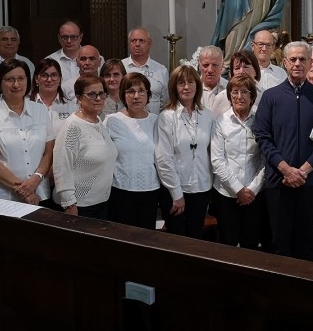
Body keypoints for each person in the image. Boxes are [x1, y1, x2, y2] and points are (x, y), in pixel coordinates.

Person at [254, 41, 313, 260]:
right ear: (285, 62)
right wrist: (286, 170)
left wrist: (304, 170)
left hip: (311, 183)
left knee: (306, 242)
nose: (298, 63)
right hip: (279, 182)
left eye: (303, 59)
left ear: (310, 62)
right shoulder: (270, 97)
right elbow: (263, 137)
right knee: (279, 243)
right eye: (293, 59)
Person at [0, 59, 55, 207]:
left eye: (21, 78)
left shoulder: (40, 110)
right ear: (0, 82)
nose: (16, 84)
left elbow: (49, 151)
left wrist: (35, 179)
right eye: (10, 79)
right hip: (2, 197)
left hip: (38, 192)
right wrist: (23, 190)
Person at [156, 64, 214, 239]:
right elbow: (163, 158)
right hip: (175, 190)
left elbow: (210, 152)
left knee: (196, 237)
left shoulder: (207, 115)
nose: (187, 87)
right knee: (178, 240)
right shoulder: (166, 116)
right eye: (181, 83)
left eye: (191, 82)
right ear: (174, 87)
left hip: (202, 189)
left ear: (197, 85)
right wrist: (177, 194)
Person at [211, 74, 266, 250]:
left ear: (252, 97)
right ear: (229, 96)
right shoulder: (220, 121)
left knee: (251, 243)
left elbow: (266, 159)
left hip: (254, 194)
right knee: (228, 243)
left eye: (244, 92)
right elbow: (217, 160)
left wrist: (252, 189)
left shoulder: (262, 119)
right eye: (234, 92)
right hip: (226, 193)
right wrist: (238, 189)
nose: (239, 96)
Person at [53, 74, 117, 219]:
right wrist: (69, 204)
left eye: (101, 94)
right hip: (79, 206)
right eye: (92, 94)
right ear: (79, 98)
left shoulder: (98, 121)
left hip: (100, 202)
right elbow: (62, 167)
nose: (98, 98)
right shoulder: (73, 126)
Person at [105, 72, 160, 229]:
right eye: (131, 91)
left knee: (147, 240)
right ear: (123, 94)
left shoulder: (156, 120)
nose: (136, 96)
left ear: (148, 95)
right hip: (121, 191)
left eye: (141, 91)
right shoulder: (112, 120)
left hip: (150, 191)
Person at [123, 27, 169, 112]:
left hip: (154, 121)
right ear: (129, 44)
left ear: (150, 44)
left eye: (141, 41)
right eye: (133, 41)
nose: (137, 44)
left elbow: (165, 101)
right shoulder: (121, 67)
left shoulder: (161, 70)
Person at [0, 26, 35, 100]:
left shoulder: (27, 63)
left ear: (18, 43)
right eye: (5, 39)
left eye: (13, 40)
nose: (9, 43)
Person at [30, 57, 76, 137]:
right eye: (44, 75)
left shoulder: (72, 107)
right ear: (36, 79)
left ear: (60, 79)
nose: (49, 79)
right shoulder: (27, 105)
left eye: (54, 75)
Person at [46, 20, 83, 97]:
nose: (69, 41)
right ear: (59, 38)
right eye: (65, 37)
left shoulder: (95, 59)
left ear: (81, 37)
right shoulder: (50, 61)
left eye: (73, 37)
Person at [198, 45, 230, 116]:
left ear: (222, 66)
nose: (210, 70)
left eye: (215, 65)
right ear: (199, 66)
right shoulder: (192, 89)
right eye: (206, 65)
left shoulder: (230, 88)